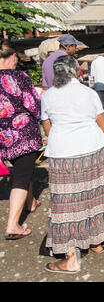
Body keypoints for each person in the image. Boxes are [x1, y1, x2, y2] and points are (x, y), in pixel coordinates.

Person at [41, 55, 104, 274]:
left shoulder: (47, 96)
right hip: (92, 151)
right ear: (76, 72)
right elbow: (103, 125)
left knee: (67, 203)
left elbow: (48, 129)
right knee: (95, 196)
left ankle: (71, 257)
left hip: (63, 155)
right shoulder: (89, 93)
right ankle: (96, 242)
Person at [0, 39, 43, 240]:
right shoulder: (19, 77)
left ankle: (31, 202)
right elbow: (34, 105)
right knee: (21, 177)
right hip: (23, 134)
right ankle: (13, 225)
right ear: (12, 57)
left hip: (4, 137)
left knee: (22, 169)